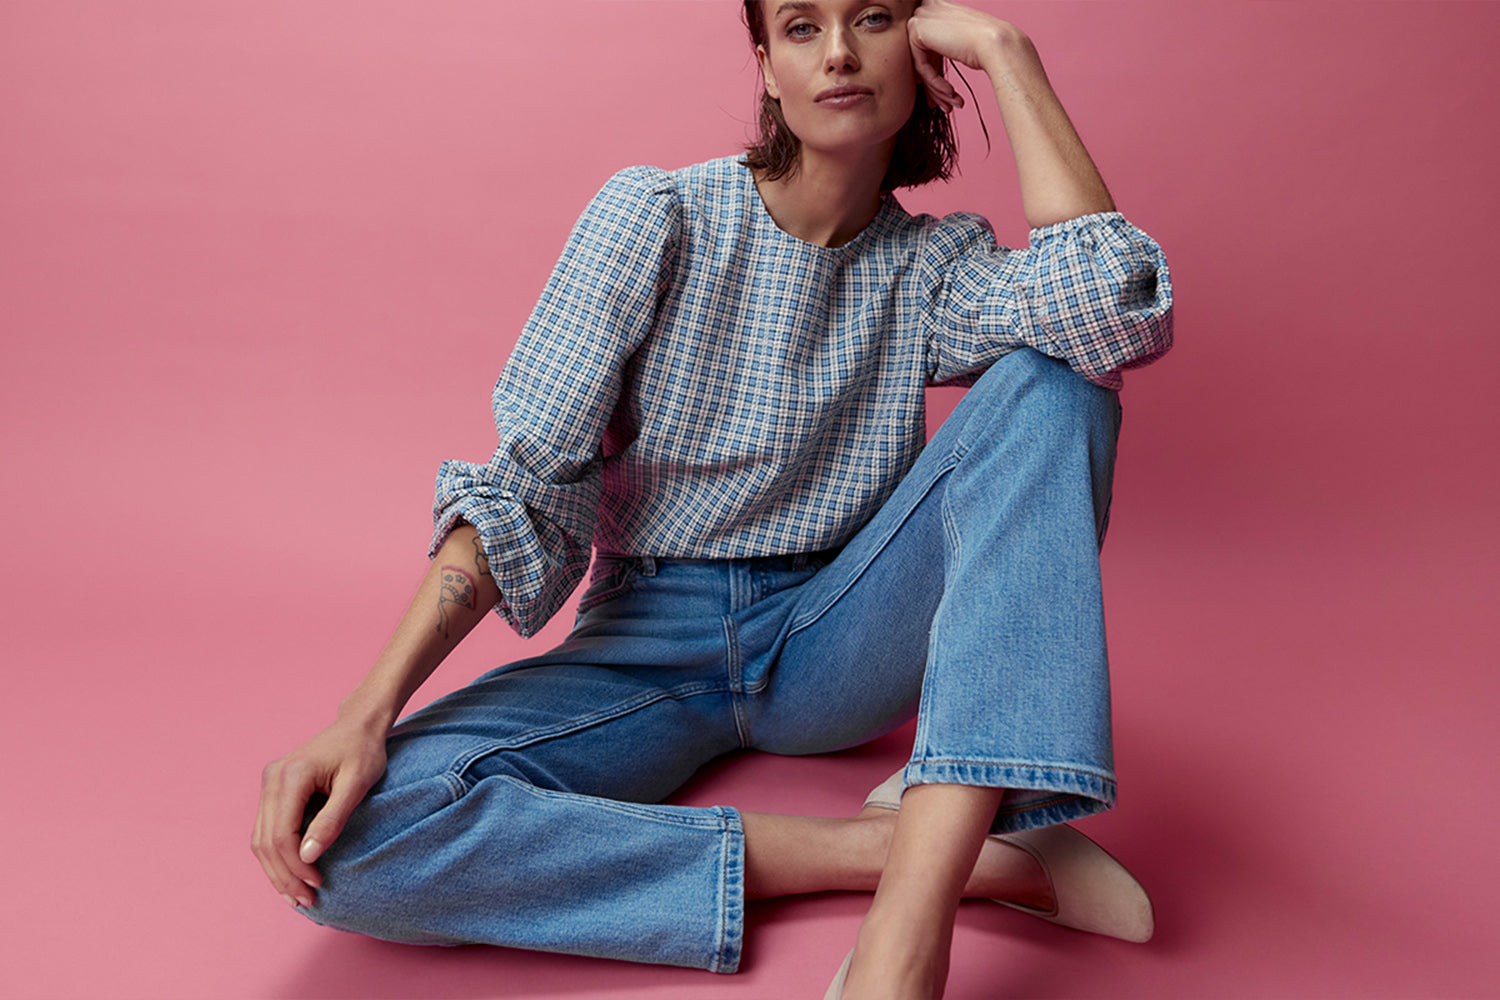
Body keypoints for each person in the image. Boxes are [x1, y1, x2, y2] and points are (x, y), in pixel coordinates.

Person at [252, 1, 1173, 996]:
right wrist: (365, 710)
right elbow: (527, 488)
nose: (838, 53)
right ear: (768, 67)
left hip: (833, 635)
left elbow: (1115, 308)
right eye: (800, 25)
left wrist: (1009, 53)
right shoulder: (660, 215)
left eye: (870, 18)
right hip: (647, 638)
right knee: (347, 841)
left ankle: (911, 921)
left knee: (1059, 381)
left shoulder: (932, 267)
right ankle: (907, 848)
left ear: (921, 52)